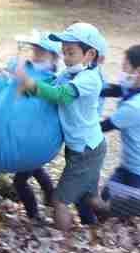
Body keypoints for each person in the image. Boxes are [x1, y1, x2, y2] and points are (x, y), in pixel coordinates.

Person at [16, 23, 108, 232]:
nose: (66, 58)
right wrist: (28, 90)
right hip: (80, 147)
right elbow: (52, 88)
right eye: (64, 52)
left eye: (71, 53)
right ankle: (113, 219)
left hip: (87, 150)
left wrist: (31, 85)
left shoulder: (90, 79)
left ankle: (63, 248)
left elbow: (61, 96)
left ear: (90, 54)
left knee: (59, 201)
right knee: (91, 197)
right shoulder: (68, 74)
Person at [93, 44, 140, 217]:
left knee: (122, 213)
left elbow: (102, 127)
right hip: (132, 163)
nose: (121, 71)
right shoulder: (137, 89)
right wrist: (85, 88)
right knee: (106, 197)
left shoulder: (136, 106)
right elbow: (114, 89)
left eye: (125, 67)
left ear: (139, 72)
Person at [9, 31, 61, 223]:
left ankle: (34, 215)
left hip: (37, 138)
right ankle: (51, 198)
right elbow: (13, 68)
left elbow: (25, 87)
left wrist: (22, 69)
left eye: (42, 51)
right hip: (29, 136)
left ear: (54, 57)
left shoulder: (50, 78)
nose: (36, 54)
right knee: (36, 169)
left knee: (20, 180)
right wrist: (22, 57)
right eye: (35, 50)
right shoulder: (35, 70)